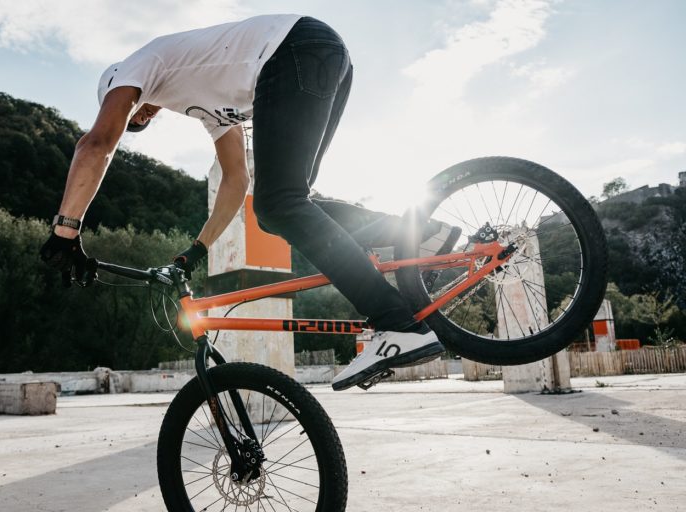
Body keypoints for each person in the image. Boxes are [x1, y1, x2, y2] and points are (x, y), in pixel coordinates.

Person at [39, 15, 460, 391]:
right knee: (287, 206)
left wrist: (65, 232)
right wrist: (196, 251)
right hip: (322, 55)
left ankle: (395, 323)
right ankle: (422, 235)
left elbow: (96, 144)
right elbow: (235, 180)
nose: (140, 120)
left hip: (292, 51)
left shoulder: (137, 66)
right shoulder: (204, 105)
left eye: (133, 116)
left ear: (116, 89)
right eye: (137, 125)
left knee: (280, 204)